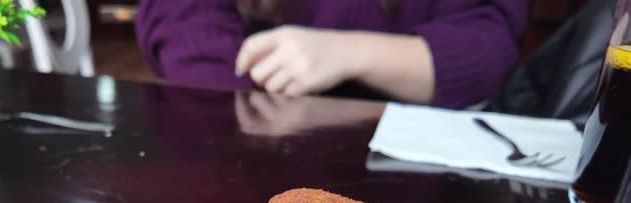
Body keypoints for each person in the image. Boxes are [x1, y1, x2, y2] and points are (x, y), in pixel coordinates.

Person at [136, 0, 530, 109]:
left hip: (422, 166)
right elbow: (182, 27)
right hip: (251, 149)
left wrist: (352, 52)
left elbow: (488, 53)